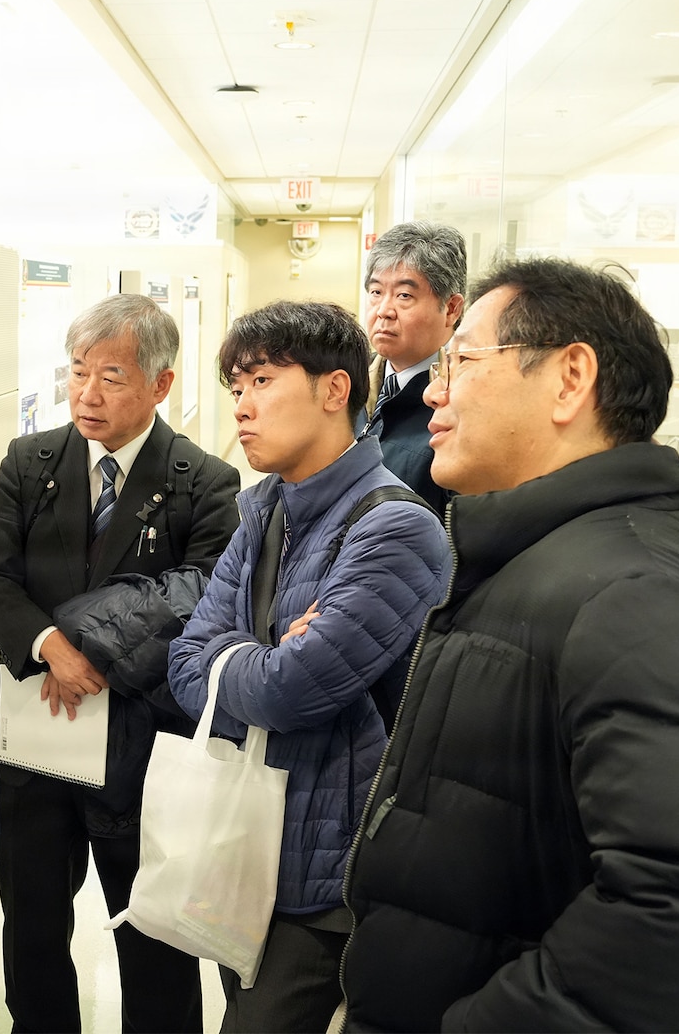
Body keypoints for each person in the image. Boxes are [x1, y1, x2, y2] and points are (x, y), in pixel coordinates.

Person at [341, 257, 679, 1031]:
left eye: (462, 361)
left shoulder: (634, 589)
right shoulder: (543, 558)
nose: (433, 389)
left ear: (569, 379)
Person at [168, 300, 452, 1033]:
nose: (242, 407)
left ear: (335, 389)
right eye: (236, 388)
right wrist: (255, 657)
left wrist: (242, 661)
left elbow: (293, 691)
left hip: (324, 878)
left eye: (262, 380)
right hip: (244, 849)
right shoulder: (266, 506)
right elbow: (184, 660)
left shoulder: (395, 526)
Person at [0, 294, 240, 1033]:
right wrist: (50, 647)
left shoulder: (204, 481)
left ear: (160, 384)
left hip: (140, 743)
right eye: (77, 372)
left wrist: (91, 651)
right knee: (31, 927)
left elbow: (205, 601)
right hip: (35, 739)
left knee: (151, 928)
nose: (86, 394)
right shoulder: (32, 462)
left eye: (111, 376)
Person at [359, 221, 467, 517]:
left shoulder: (466, 403)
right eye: (376, 292)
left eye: (404, 295)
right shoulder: (349, 383)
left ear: (452, 309)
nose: (383, 310)